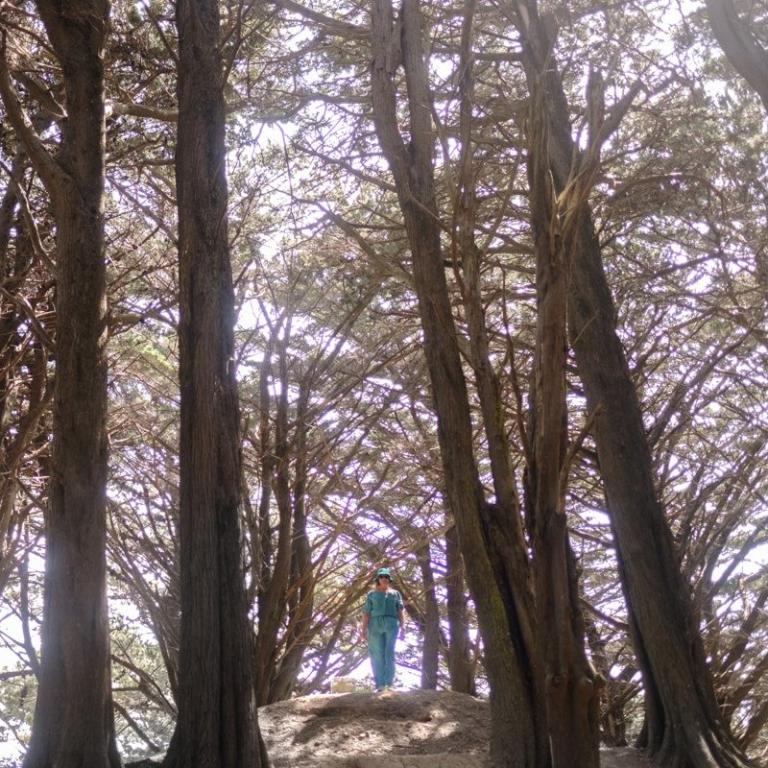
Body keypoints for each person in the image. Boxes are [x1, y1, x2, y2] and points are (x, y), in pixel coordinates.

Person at [360, 566, 405, 691]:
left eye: (386, 577)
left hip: (391, 623)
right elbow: (366, 612)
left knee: (389, 652)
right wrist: (363, 629)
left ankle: (389, 684)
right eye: (381, 576)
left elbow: (400, 610)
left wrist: (403, 626)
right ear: (378, 579)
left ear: (389, 579)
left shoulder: (395, 594)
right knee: (376, 654)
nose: (384, 579)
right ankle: (379, 684)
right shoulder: (372, 594)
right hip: (374, 624)